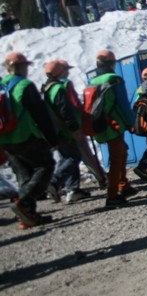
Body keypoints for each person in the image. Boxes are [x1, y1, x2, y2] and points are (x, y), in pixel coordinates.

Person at [1, 53, 58, 228]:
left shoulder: (2, 85)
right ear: (23, 67)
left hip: (6, 138)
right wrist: (52, 138)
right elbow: (40, 114)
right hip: (25, 135)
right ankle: (23, 202)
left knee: (23, 174)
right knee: (45, 165)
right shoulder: (24, 85)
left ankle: (27, 216)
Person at [90, 50, 137, 207]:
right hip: (114, 124)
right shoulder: (114, 79)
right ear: (112, 63)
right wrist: (131, 122)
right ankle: (112, 195)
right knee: (117, 158)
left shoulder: (92, 81)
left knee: (122, 152)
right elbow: (123, 104)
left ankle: (123, 184)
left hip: (100, 124)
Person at [42, 60, 91, 203]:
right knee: (73, 157)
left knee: (67, 158)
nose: (67, 72)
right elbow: (66, 111)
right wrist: (74, 129)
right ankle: (54, 182)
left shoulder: (47, 89)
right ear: (60, 72)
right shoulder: (58, 88)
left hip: (56, 131)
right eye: (65, 70)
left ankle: (73, 189)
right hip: (65, 131)